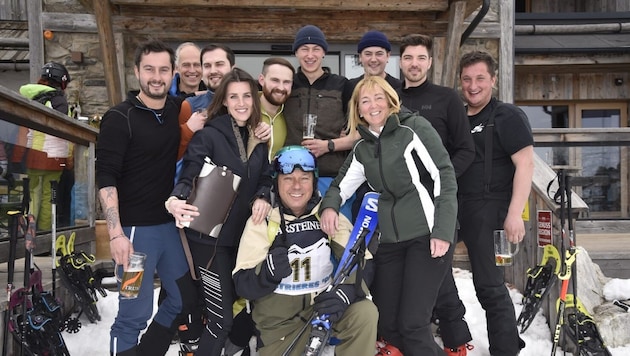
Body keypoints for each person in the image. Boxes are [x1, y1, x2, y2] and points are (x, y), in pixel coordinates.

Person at [320, 75, 458, 356]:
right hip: (391, 242)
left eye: (378, 98)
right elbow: (339, 186)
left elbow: (444, 173)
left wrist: (443, 230)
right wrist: (330, 207)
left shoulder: (413, 128)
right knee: (390, 322)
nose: (372, 105)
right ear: (357, 109)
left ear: (390, 101)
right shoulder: (363, 148)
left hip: (427, 235)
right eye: (365, 101)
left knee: (414, 324)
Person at [96, 39, 198, 356]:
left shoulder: (174, 110)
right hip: (135, 236)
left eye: (163, 70)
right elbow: (106, 178)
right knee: (132, 315)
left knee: (183, 299)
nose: (157, 76)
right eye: (149, 69)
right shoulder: (120, 118)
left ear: (173, 73)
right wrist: (116, 234)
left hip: (169, 229)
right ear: (137, 71)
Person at [165, 68, 273, 355]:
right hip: (209, 243)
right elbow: (189, 173)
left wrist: (264, 195)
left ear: (255, 99)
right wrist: (176, 198)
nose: (241, 102)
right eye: (233, 96)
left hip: (242, 240)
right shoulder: (210, 136)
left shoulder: (259, 138)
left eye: (247, 96)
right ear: (224, 100)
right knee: (220, 319)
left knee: (250, 307)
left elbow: (265, 176)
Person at [232, 145, 378, 356]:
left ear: (314, 182)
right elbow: (242, 285)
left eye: (304, 178)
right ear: (277, 182)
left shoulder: (326, 216)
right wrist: (265, 273)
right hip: (279, 328)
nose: (296, 186)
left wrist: (346, 291)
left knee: (365, 312)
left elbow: (361, 261)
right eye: (288, 178)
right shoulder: (263, 221)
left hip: (321, 315)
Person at [397, 33, 475, 355]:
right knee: (411, 270)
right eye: (408, 58)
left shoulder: (447, 99)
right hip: (400, 203)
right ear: (399, 62)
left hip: (438, 202)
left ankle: (455, 337)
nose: (414, 64)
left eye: (421, 58)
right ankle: (423, 335)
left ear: (430, 62)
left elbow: (466, 150)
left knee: (437, 264)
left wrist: (440, 184)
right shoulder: (390, 96)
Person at [458, 50, 534, 356]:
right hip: (459, 205)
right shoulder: (460, 116)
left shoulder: (507, 116)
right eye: (466, 79)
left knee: (489, 286)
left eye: (480, 78)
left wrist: (515, 214)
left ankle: (505, 349)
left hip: (491, 207)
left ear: (492, 79)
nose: (473, 85)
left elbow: (526, 165)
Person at [284, 25, 356, 218]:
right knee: (299, 239)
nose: (310, 55)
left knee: (338, 235)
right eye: (304, 49)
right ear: (296, 52)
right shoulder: (287, 83)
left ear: (324, 52)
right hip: (292, 177)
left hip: (332, 177)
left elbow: (361, 134)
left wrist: (328, 145)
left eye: (316, 49)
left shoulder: (342, 85)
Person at [12, 62, 73, 231]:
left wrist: (17, 157)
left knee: (33, 195)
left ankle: (29, 235)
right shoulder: (60, 101)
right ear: (61, 82)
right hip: (56, 158)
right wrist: (69, 159)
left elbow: (23, 130)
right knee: (49, 197)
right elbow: (68, 133)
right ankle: (45, 235)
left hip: (34, 154)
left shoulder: (30, 98)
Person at [258, 57, 295, 161]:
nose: (281, 87)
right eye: (275, 80)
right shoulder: (245, 110)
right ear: (262, 80)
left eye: (286, 82)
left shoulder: (292, 114)